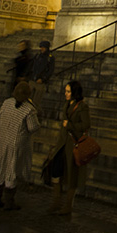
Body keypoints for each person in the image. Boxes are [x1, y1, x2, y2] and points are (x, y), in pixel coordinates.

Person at [0, 81, 40, 210]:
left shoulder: (7, 103)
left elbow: (0, 116)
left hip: (3, 139)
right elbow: (33, 127)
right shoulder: (29, 109)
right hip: (16, 143)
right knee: (11, 170)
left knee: (1, 170)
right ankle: (9, 202)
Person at [44, 80, 90, 216]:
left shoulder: (82, 107)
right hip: (62, 144)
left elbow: (86, 125)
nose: (65, 93)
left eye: (68, 91)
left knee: (71, 175)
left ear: (74, 92)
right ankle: (56, 201)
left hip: (73, 145)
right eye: (65, 91)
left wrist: (70, 125)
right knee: (56, 172)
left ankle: (68, 205)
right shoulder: (66, 104)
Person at [27, 40, 55, 111]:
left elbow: (50, 70)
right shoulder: (38, 56)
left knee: (36, 101)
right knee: (28, 99)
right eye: (41, 47)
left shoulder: (50, 57)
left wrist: (43, 79)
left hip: (40, 82)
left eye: (43, 47)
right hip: (33, 79)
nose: (42, 49)